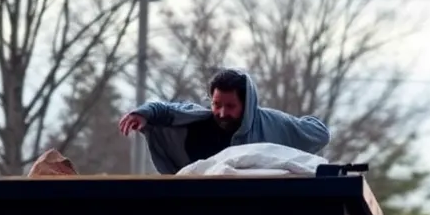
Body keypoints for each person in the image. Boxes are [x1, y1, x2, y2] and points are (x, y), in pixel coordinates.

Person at [118, 67, 330, 174]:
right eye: (216, 104)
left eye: (230, 107)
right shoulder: (197, 122)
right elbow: (166, 111)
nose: (221, 113)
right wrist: (143, 114)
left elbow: (318, 133)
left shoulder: (273, 124)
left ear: (247, 105)